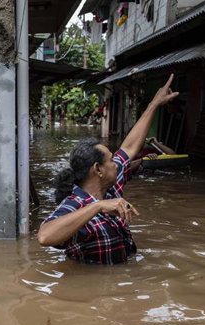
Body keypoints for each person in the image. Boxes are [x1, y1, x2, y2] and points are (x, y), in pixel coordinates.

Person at [38, 75, 180, 264]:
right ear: (98, 170)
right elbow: (45, 236)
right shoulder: (75, 203)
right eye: (111, 160)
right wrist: (97, 206)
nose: (117, 163)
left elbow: (129, 148)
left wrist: (154, 104)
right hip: (93, 290)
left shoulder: (110, 189)